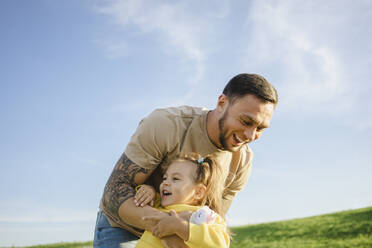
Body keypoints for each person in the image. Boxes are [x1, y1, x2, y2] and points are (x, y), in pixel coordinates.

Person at [93, 73, 278, 248]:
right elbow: (114, 192)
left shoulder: (242, 161)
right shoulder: (166, 124)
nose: (250, 135)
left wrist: (178, 230)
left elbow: (214, 218)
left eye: (260, 128)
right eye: (246, 121)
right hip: (125, 227)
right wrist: (167, 227)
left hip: (182, 234)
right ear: (222, 103)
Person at [135, 154, 229, 248]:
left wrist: (180, 226)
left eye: (175, 179)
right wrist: (148, 190)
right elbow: (137, 203)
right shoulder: (156, 203)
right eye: (164, 178)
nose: (165, 183)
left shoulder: (203, 215)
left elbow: (220, 244)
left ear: (198, 192)